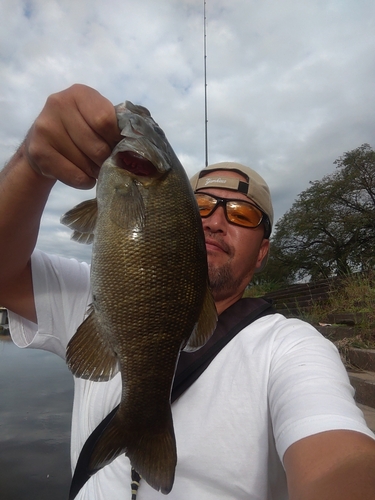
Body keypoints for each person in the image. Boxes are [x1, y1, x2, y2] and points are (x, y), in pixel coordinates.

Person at [0, 84, 375, 500]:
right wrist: (31, 164)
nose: (215, 221)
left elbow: (340, 460)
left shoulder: (290, 349)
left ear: (263, 253)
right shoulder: (94, 294)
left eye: (242, 213)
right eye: (201, 206)